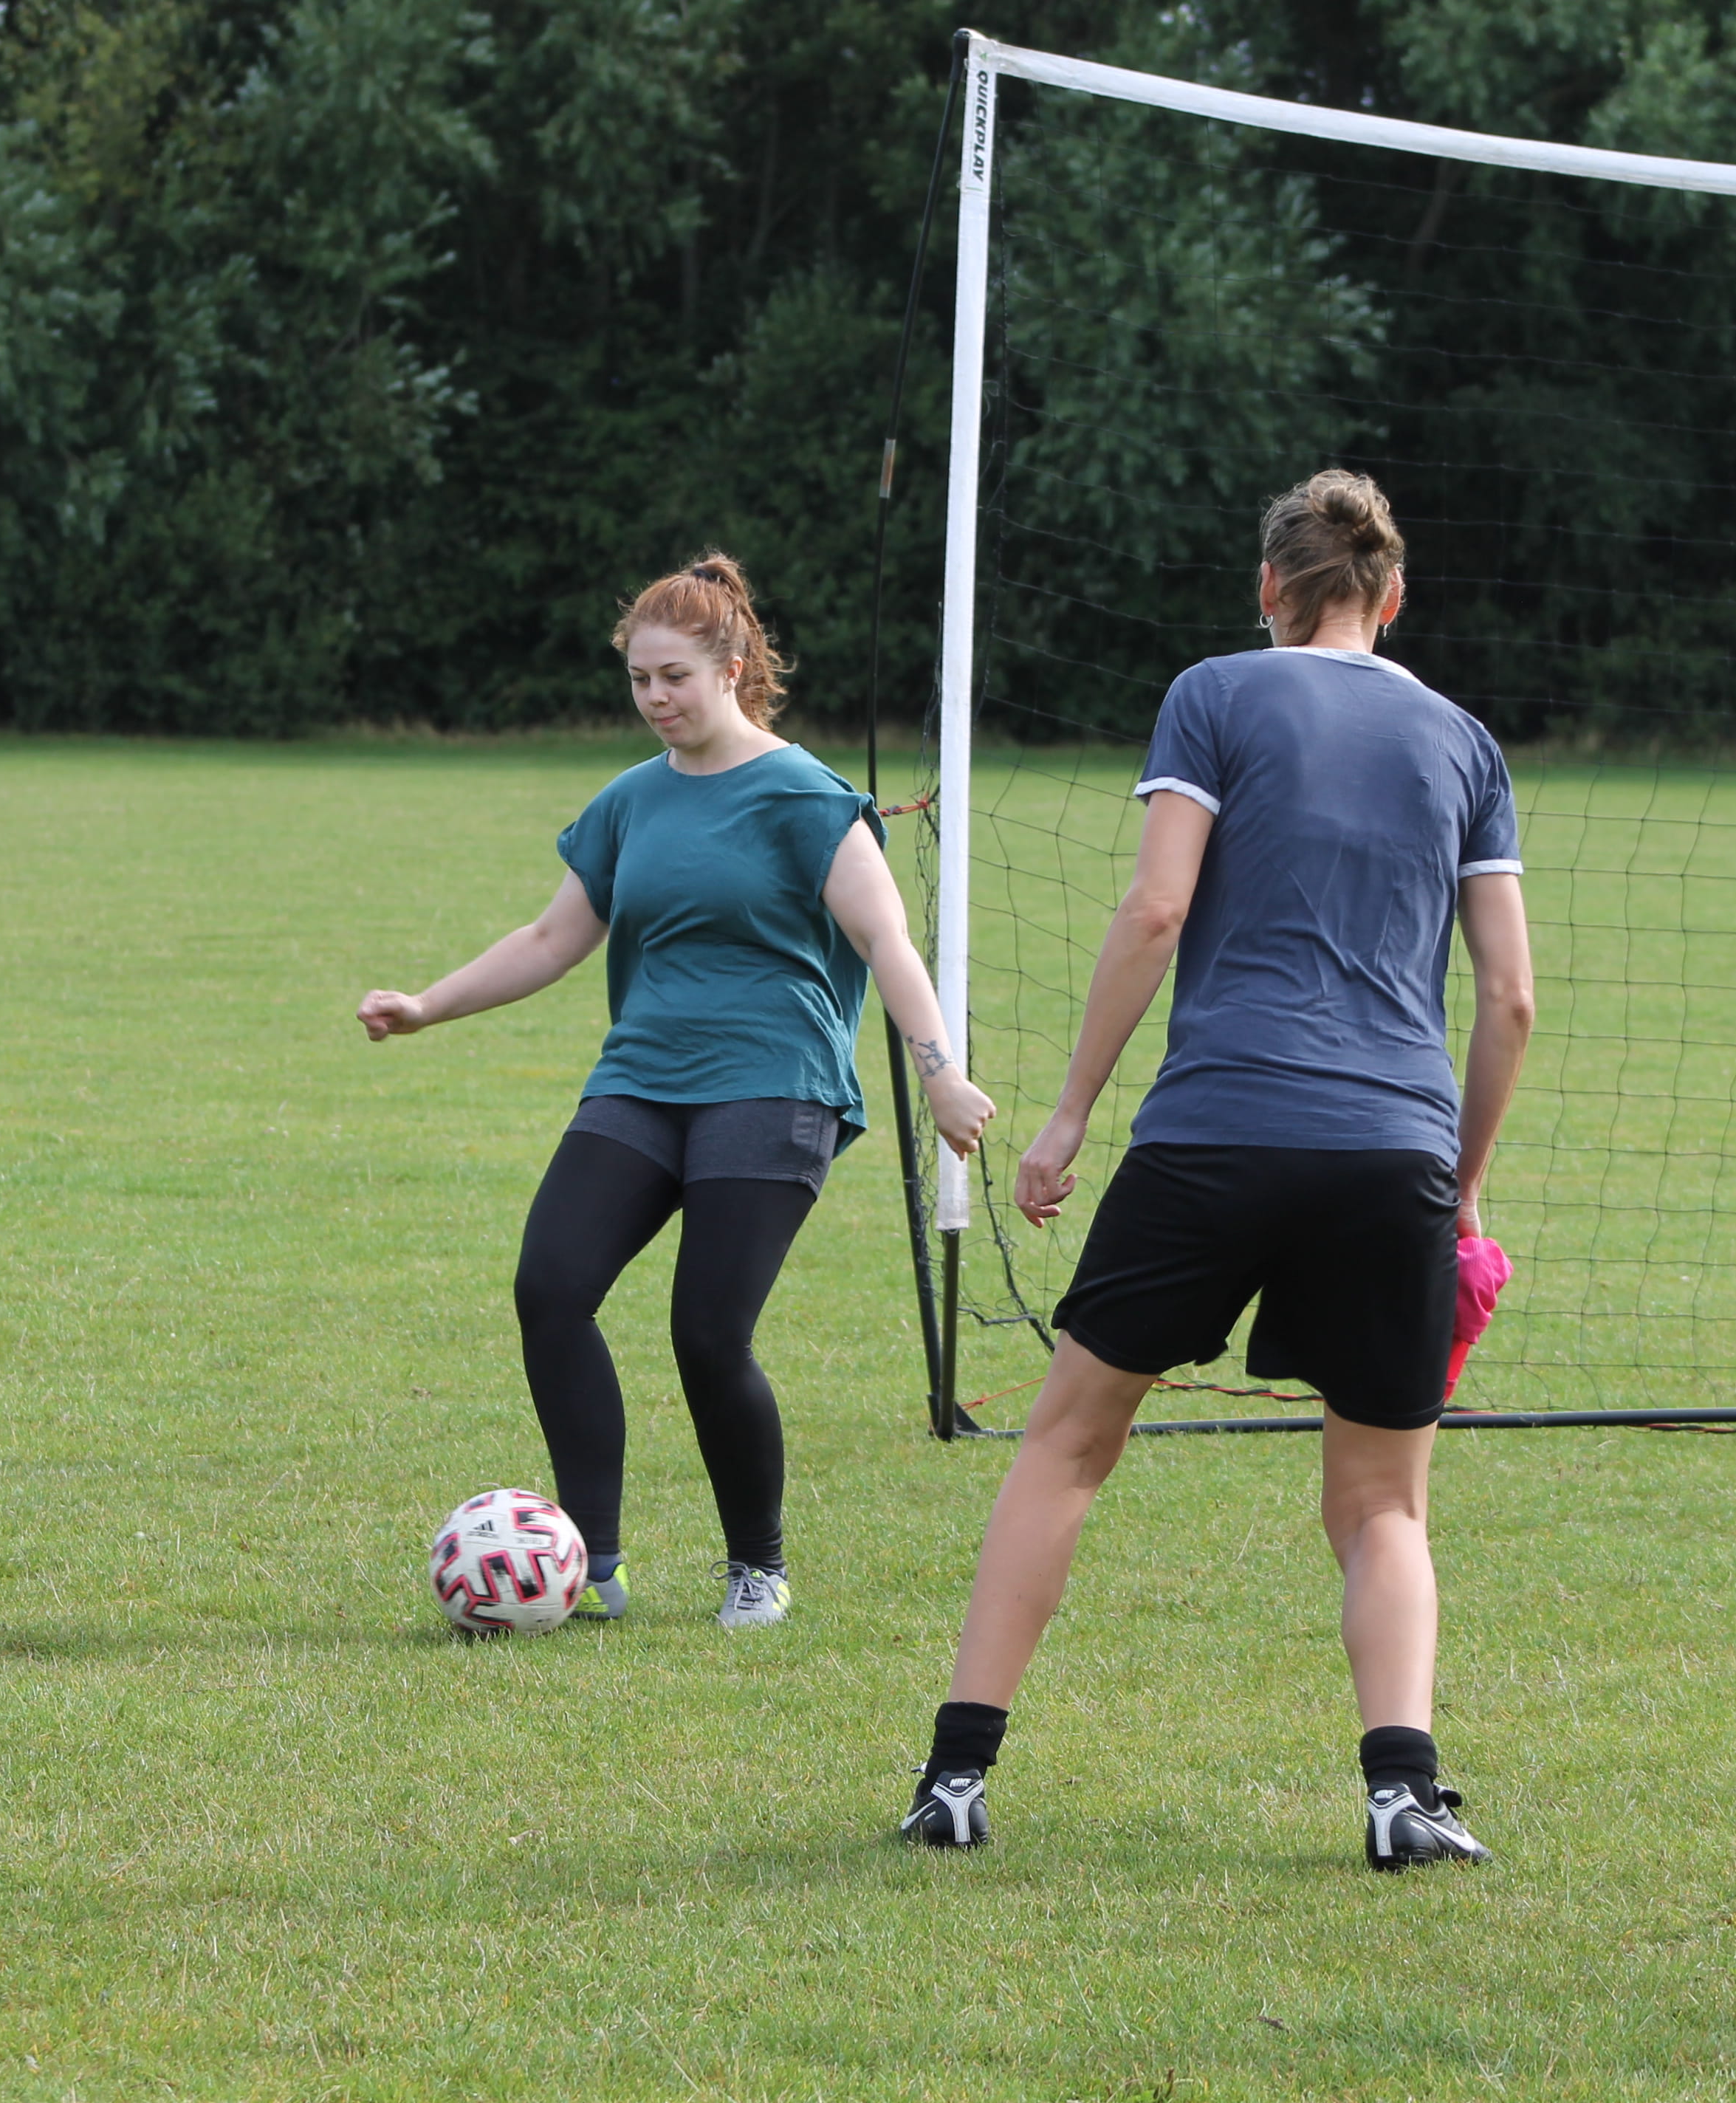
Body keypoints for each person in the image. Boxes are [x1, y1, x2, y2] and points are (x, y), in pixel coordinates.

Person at [898, 470, 1535, 1867]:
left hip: (1212, 1135)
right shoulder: (1467, 740)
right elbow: (1510, 1001)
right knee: (1381, 1503)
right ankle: (1402, 1798)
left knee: (1066, 1445)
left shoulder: (1217, 694)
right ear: (1395, 594)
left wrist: (1067, 1118)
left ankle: (956, 1777)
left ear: (1269, 590)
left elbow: (1158, 904)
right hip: (1394, 1157)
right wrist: (1464, 1186)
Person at [360, 554, 993, 1627]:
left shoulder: (809, 799)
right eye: (640, 680)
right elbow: (553, 937)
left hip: (776, 1084)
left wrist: (942, 1077)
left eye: (675, 678)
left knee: (707, 1332)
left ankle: (758, 1565)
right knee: (550, 1286)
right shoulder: (629, 803)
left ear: (734, 670)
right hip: (645, 1081)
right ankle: (590, 1563)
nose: (656, 699)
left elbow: (885, 940)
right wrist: (428, 1006)